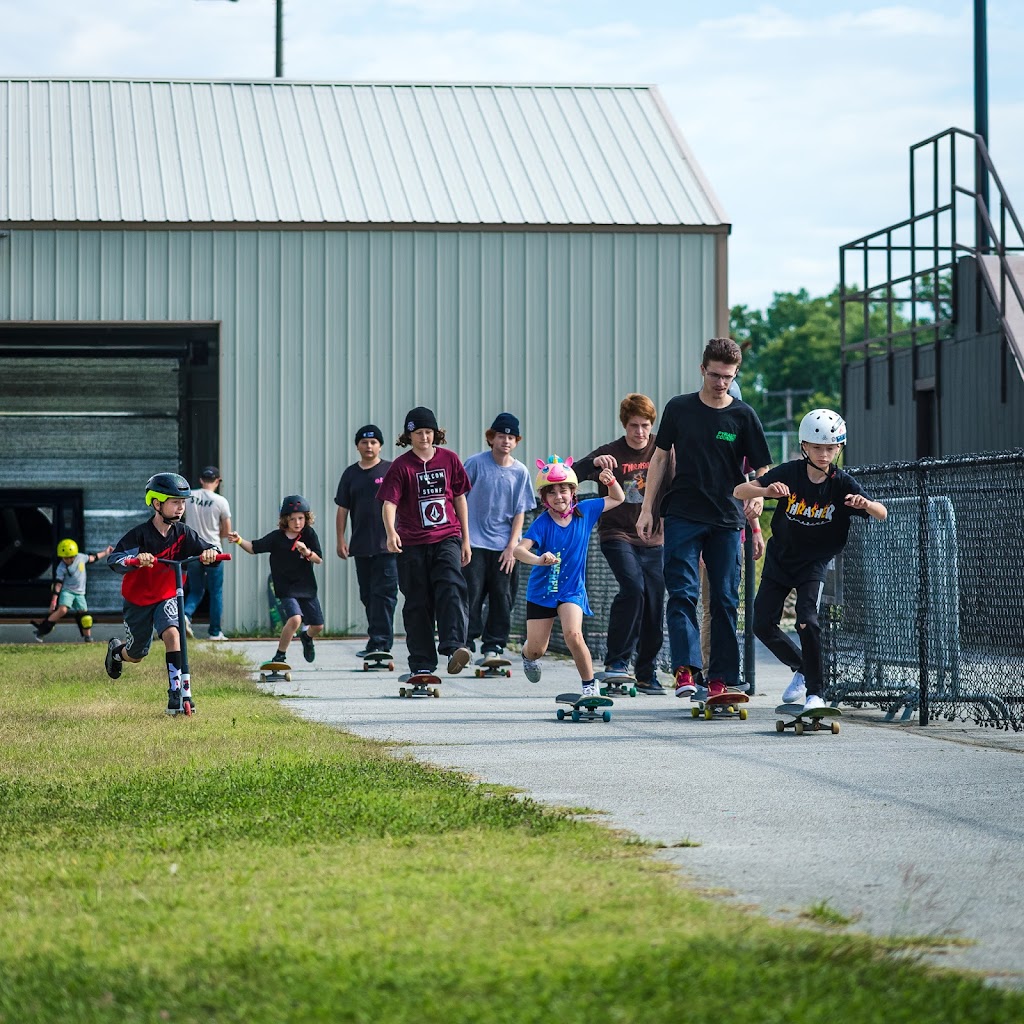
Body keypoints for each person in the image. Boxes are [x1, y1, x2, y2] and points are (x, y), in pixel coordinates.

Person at [636, 337, 772, 702]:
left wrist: (758, 495)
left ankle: (721, 678)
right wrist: (648, 508)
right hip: (682, 513)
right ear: (702, 370)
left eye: (728, 377)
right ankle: (685, 670)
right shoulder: (679, 409)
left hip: (727, 519)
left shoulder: (743, 415)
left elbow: (763, 467)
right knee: (682, 592)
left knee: (726, 599)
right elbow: (660, 459)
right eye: (715, 375)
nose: (721, 383)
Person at [735, 409, 887, 710]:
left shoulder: (842, 483)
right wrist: (766, 490)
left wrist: (866, 504)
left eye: (831, 448)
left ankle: (816, 694)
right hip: (781, 557)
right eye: (817, 447)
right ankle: (803, 667)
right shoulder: (790, 472)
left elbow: (881, 513)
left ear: (839, 448)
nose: (824, 454)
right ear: (805, 446)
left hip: (814, 562)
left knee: (807, 619)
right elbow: (739, 489)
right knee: (762, 624)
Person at [573, 394, 669, 694]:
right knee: (633, 588)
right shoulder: (611, 452)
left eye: (645, 425)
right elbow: (570, 475)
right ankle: (616, 662)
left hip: (654, 537)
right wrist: (593, 463)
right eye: (633, 426)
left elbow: (681, 482)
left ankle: (646, 671)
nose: (639, 432)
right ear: (624, 425)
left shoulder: (662, 450)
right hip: (616, 534)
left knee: (654, 601)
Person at [104, 473, 220, 714]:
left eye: (183, 502)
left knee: (173, 634)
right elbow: (114, 560)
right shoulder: (139, 535)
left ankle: (177, 693)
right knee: (136, 654)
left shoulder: (184, 533)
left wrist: (211, 554)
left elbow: (210, 549)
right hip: (138, 600)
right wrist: (136, 559)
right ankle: (117, 652)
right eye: (175, 501)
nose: (181, 507)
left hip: (168, 594)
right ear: (157, 503)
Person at [514, 455, 624, 698]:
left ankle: (589, 686)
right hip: (542, 592)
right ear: (544, 498)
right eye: (551, 492)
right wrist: (538, 559)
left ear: (573, 491)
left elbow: (618, 498)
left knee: (574, 634)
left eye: (563, 490)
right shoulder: (542, 523)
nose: (558, 496)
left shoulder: (585, 511)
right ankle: (527, 655)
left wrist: (611, 480)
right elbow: (519, 550)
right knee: (536, 650)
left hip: (572, 590)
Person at [377, 406, 473, 676]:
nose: (424, 437)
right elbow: (389, 503)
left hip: (447, 536)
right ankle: (422, 663)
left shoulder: (450, 459)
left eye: (428, 432)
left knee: (452, 585)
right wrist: (390, 532)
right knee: (417, 601)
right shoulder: (401, 466)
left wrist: (466, 539)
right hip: (412, 543)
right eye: (418, 433)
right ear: (409, 436)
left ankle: (455, 646)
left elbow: (459, 499)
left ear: (436, 433)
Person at [462, 412, 534, 659]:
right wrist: (463, 538)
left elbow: (520, 511)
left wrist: (512, 546)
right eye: (501, 436)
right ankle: (465, 643)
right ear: (491, 438)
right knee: (471, 593)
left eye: (511, 437)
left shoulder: (520, 472)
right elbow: (457, 498)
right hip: (474, 542)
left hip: (504, 545)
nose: (506, 441)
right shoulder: (475, 464)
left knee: (502, 596)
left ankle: (494, 646)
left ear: (516, 441)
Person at [229, 495, 324, 666]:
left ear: (306, 518)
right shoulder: (276, 538)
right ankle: (280, 655)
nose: (297, 523)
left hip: (307, 587)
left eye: (301, 518)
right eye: (292, 519)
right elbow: (253, 548)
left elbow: (319, 559)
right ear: (285, 520)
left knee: (317, 626)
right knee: (295, 619)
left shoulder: (309, 534)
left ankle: (306, 637)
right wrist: (239, 540)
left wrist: (307, 552)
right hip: (286, 587)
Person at [335, 424, 398, 657]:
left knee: (385, 595)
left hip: (387, 547)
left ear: (380, 445)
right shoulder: (351, 474)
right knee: (368, 595)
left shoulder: (391, 470)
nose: (369, 446)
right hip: (361, 546)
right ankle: (376, 640)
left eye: (373, 442)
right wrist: (340, 539)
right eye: (364, 442)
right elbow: (342, 509)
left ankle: (381, 643)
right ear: (357, 446)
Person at [182, 465, 232, 640]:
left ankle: (185, 616)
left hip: (192, 551)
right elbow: (226, 531)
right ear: (217, 481)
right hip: (214, 551)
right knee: (215, 591)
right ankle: (215, 632)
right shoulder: (221, 501)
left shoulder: (189, 497)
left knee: (196, 590)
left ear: (201, 480)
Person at [32, 538, 113, 643]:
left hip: (80, 593)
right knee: (62, 610)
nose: (67, 560)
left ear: (74, 555)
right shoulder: (61, 567)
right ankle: (42, 630)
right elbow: (58, 584)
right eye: (65, 558)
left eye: (70, 557)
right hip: (67, 592)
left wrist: (106, 552)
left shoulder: (81, 557)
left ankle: (88, 638)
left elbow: (93, 558)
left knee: (86, 617)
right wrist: (54, 600)